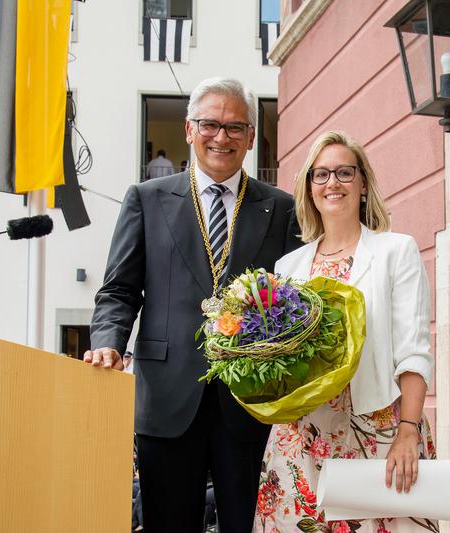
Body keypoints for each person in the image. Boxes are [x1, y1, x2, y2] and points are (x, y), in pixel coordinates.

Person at [84, 77, 301, 532]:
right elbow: (119, 290)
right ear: (189, 129)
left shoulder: (280, 208)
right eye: (210, 124)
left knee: (249, 525)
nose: (222, 137)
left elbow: (296, 300)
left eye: (235, 127)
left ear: (251, 138)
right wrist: (108, 342)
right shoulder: (146, 199)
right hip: (166, 398)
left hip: (250, 402)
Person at [253, 131, 437, 532]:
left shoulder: (396, 251)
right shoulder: (288, 267)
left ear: (363, 183)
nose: (332, 183)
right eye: (320, 175)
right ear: (309, 188)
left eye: (343, 173)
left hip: (378, 430)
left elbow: (414, 352)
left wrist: (409, 431)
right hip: (301, 438)